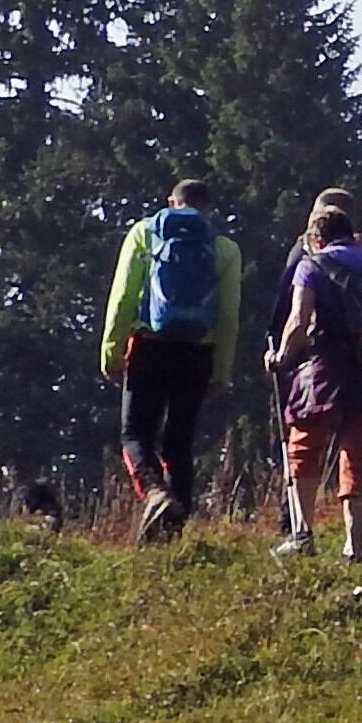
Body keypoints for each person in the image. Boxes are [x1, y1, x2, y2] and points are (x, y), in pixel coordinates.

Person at [269, 205, 362, 559]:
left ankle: (302, 534)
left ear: (316, 239)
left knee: (304, 447)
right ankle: (354, 545)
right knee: (360, 455)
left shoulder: (311, 265)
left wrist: (281, 356)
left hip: (324, 372)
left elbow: (298, 320)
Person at [101, 179, 246, 543]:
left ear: (170, 202)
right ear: (208, 208)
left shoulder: (144, 234)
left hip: (148, 346)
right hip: (197, 351)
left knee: (135, 434)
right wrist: (221, 372)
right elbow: (228, 316)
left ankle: (154, 494)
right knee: (178, 444)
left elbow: (122, 298)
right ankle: (170, 536)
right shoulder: (224, 249)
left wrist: (111, 353)